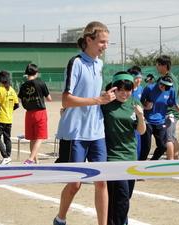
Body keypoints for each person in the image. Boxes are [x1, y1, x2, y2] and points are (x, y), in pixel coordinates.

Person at [53, 21, 116, 225]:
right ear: (89, 40)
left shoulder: (99, 64)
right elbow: (66, 100)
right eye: (102, 42)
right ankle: (60, 218)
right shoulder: (76, 63)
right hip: (75, 133)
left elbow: (92, 95)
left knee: (102, 181)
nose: (105, 46)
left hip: (97, 132)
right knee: (75, 184)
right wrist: (97, 100)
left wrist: (103, 97)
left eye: (107, 42)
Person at [102, 71, 145, 225]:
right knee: (120, 197)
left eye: (128, 90)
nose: (124, 93)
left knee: (125, 198)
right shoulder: (106, 104)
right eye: (120, 89)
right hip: (113, 157)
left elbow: (141, 131)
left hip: (131, 156)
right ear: (114, 89)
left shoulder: (135, 103)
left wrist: (140, 116)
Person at [140, 75, 179, 160]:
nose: (165, 89)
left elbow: (174, 104)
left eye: (168, 87)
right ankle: (140, 165)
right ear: (160, 83)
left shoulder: (171, 90)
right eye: (163, 86)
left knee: (163, 146)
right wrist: (145, 106)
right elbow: (140, 103)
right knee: (146, 148)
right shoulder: (149, 88)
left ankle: (153, 162)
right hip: (148, 121)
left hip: (161, 122)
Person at [18, 63, 52, 164]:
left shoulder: (23, 85)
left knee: (32, 138)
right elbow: (49, 98)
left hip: (29, 114)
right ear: (36, 73)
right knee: (40, 137)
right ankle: (31, 159)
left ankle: (36, 160)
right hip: (40, 112)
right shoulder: (40, 82)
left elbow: (19, 98)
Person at [153, 55, 179, 160]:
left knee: (168, 139)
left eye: (158, 64)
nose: (156, 67)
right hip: (167, 112)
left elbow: (170, 98)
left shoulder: (170, 79)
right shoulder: (163, 78)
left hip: (170, 112)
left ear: (165, 66)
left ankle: (170, 162)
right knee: (172, 137)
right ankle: (175, 157)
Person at [0, 70, 19, 165]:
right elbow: (17, 105)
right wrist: (9, 110)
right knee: (7, 138)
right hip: (9, 118)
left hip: (0, 118)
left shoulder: (0, 89)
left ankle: (6, 156)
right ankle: (8, 157)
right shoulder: (12, 90)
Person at [127, 65, 143, 159]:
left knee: (138, 146)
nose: (139, 80)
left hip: (138, 122)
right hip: (129, 121)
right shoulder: (127, 90)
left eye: (140, 78)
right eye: (136, 78)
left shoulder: (141, 89)